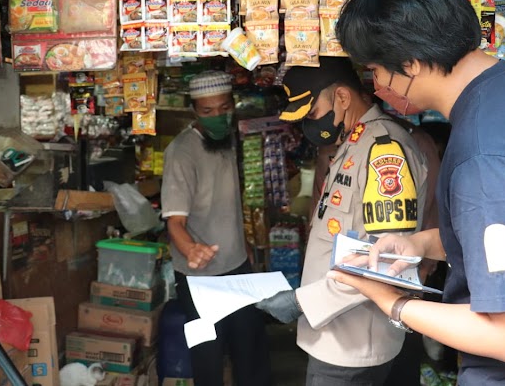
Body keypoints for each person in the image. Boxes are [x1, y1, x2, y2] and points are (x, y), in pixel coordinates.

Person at [328, 0, 505, 386]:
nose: (376, 86)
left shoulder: (486, 154)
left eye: (374, 71)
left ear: (410, 63)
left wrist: (392, 302)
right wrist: (418, 243)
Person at [256, 57, 431, 385]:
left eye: (312, 112)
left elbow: (386, 259)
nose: (311, 123)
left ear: (342, 97)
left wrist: (301, 301)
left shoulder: (383, 149)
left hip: (353, 343)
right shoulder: (355, 142)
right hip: (336, 334)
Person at [161, 70, 272, 386]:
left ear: (232, 104)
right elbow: (175, 222)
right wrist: (191, 250)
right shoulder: (180, 153)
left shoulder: (227, 138)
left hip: (237, 267)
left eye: (224, 108)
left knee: (251, 350)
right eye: (207, 112)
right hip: (199, 281)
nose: (217, 117)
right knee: (207, 358)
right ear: (194, 110)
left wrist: (245, 246)